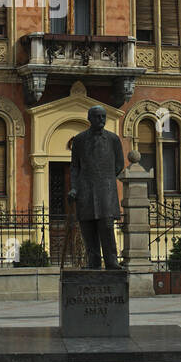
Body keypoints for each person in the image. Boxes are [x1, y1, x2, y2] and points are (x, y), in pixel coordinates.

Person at [67, 105, 125, 270]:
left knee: (106, 226)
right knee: (88, 227)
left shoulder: (113, 139)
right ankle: (93, 261)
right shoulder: (79, 140)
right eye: (98, 117)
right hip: (85, 189)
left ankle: (111, 261)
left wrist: (103, 177)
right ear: (90, 118)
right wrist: (74, 187)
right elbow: (75, 167)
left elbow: (119, 164)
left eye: (103, 117)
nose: (101, 120)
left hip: (106, 190)